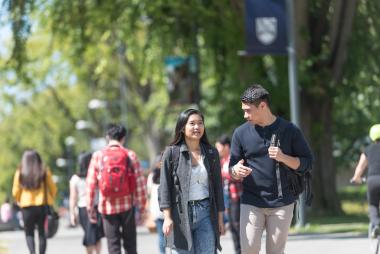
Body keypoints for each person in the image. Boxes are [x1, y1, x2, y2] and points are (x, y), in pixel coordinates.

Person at [229, 84, 313, 254]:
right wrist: (235, 171)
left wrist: (283, 157)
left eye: (248, 110)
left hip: (282, 203)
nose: (245, 115)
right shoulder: (240, 133)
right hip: (251, 201)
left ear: (263, 106)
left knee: (275, 252)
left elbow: (307, 163)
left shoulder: (289, 130)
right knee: (249, 249)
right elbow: (232, 167)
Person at [159, 108, 225, 254]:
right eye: (192, 123)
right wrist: (167, 217)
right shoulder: (171, 153)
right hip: (180, 215)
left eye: (200, 123)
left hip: (206, 213)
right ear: (182, 127)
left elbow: (218, 188)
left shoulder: (211, 152)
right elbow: (164, 188)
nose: (197, 127)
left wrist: (220, 219)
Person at [86, 123, 147, 254]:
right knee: (130, 245)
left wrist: (90, 208)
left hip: (107, 207)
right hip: (128, 207)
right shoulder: (130, 155)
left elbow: (91, 185)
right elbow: (140, 184)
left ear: (108, 137)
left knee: (113, 246)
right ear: (123, 138)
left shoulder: (98, 156)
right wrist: (142, 209)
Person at [12, 149, 57, 254]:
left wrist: (19, 199)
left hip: (26, 206)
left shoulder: (20, 172)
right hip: (42, 205)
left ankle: (32, 252)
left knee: (29, 233)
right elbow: (53, 189)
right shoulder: (44, 171)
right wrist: (51, 199)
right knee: (42, 233)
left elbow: (15, 191)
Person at [69, 151, 103, 254]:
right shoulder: (96, 176)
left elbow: (73, 197)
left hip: (82, 209)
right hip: (96, 207)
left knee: (91, 235)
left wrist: (72, 213)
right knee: (95, 235)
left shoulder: (75, 179)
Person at [351, 124, 380, 238]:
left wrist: (356, 178)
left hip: (372, 180)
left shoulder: (368, 149)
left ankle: (376, 224)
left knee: (373, 204)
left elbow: (360, 167)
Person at [215, 135, 242, 254]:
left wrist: (227, 175)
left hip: (237, 197)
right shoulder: (222, 161)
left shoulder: (234, 159)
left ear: (226, 147)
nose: (218, 150)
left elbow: (238, 177)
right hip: (228, 198)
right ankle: (238, 251)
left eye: (219, 147)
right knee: (232, 227)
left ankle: (243, 250)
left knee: (238, 226)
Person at [146, 155, 165, 254]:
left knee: (161, 235)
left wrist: (147, 210)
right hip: (168, 209)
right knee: (172, 235)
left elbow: (149, 194)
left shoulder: (152, 176)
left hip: (156, 209)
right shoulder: (169, 173)